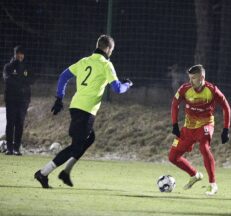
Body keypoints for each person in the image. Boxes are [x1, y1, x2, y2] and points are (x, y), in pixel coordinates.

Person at [34, 34, 133, 188]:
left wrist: (59, 98)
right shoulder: (106, 65)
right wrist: (127, 84)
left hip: (76, 106)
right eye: (111, 50)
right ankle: (43, 173)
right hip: (86, 110)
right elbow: (117, 89)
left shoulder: (84, 61)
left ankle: (66, 171)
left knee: (89, 138)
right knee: (76, 146)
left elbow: (63, 76)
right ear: (108, 49)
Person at [168, 64, 231, 196]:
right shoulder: (185, 89)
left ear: (202, 77)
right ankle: (195, 175)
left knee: (204, 148)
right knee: (173, 157)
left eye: (194, 78)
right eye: (189, 78)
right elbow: (175, 104)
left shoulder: (212, 90)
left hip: (205, 125)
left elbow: (226, 107)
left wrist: (226, 129)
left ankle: (213, 184)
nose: (190, 81)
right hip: (188, 128)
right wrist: (175, 124)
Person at [2, 45, 34, 155]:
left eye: (22, 54)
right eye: (18, 53)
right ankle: (9, 148)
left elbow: (32, 80)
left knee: (20, 123)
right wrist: (22, 82)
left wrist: (20, 81)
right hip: (11, 99)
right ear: (15, 54)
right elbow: (8, 79)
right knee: (10, 123)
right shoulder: (8, 67)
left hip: (24, 100)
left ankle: (16, 148)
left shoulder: (27, 67)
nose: (20, 56)